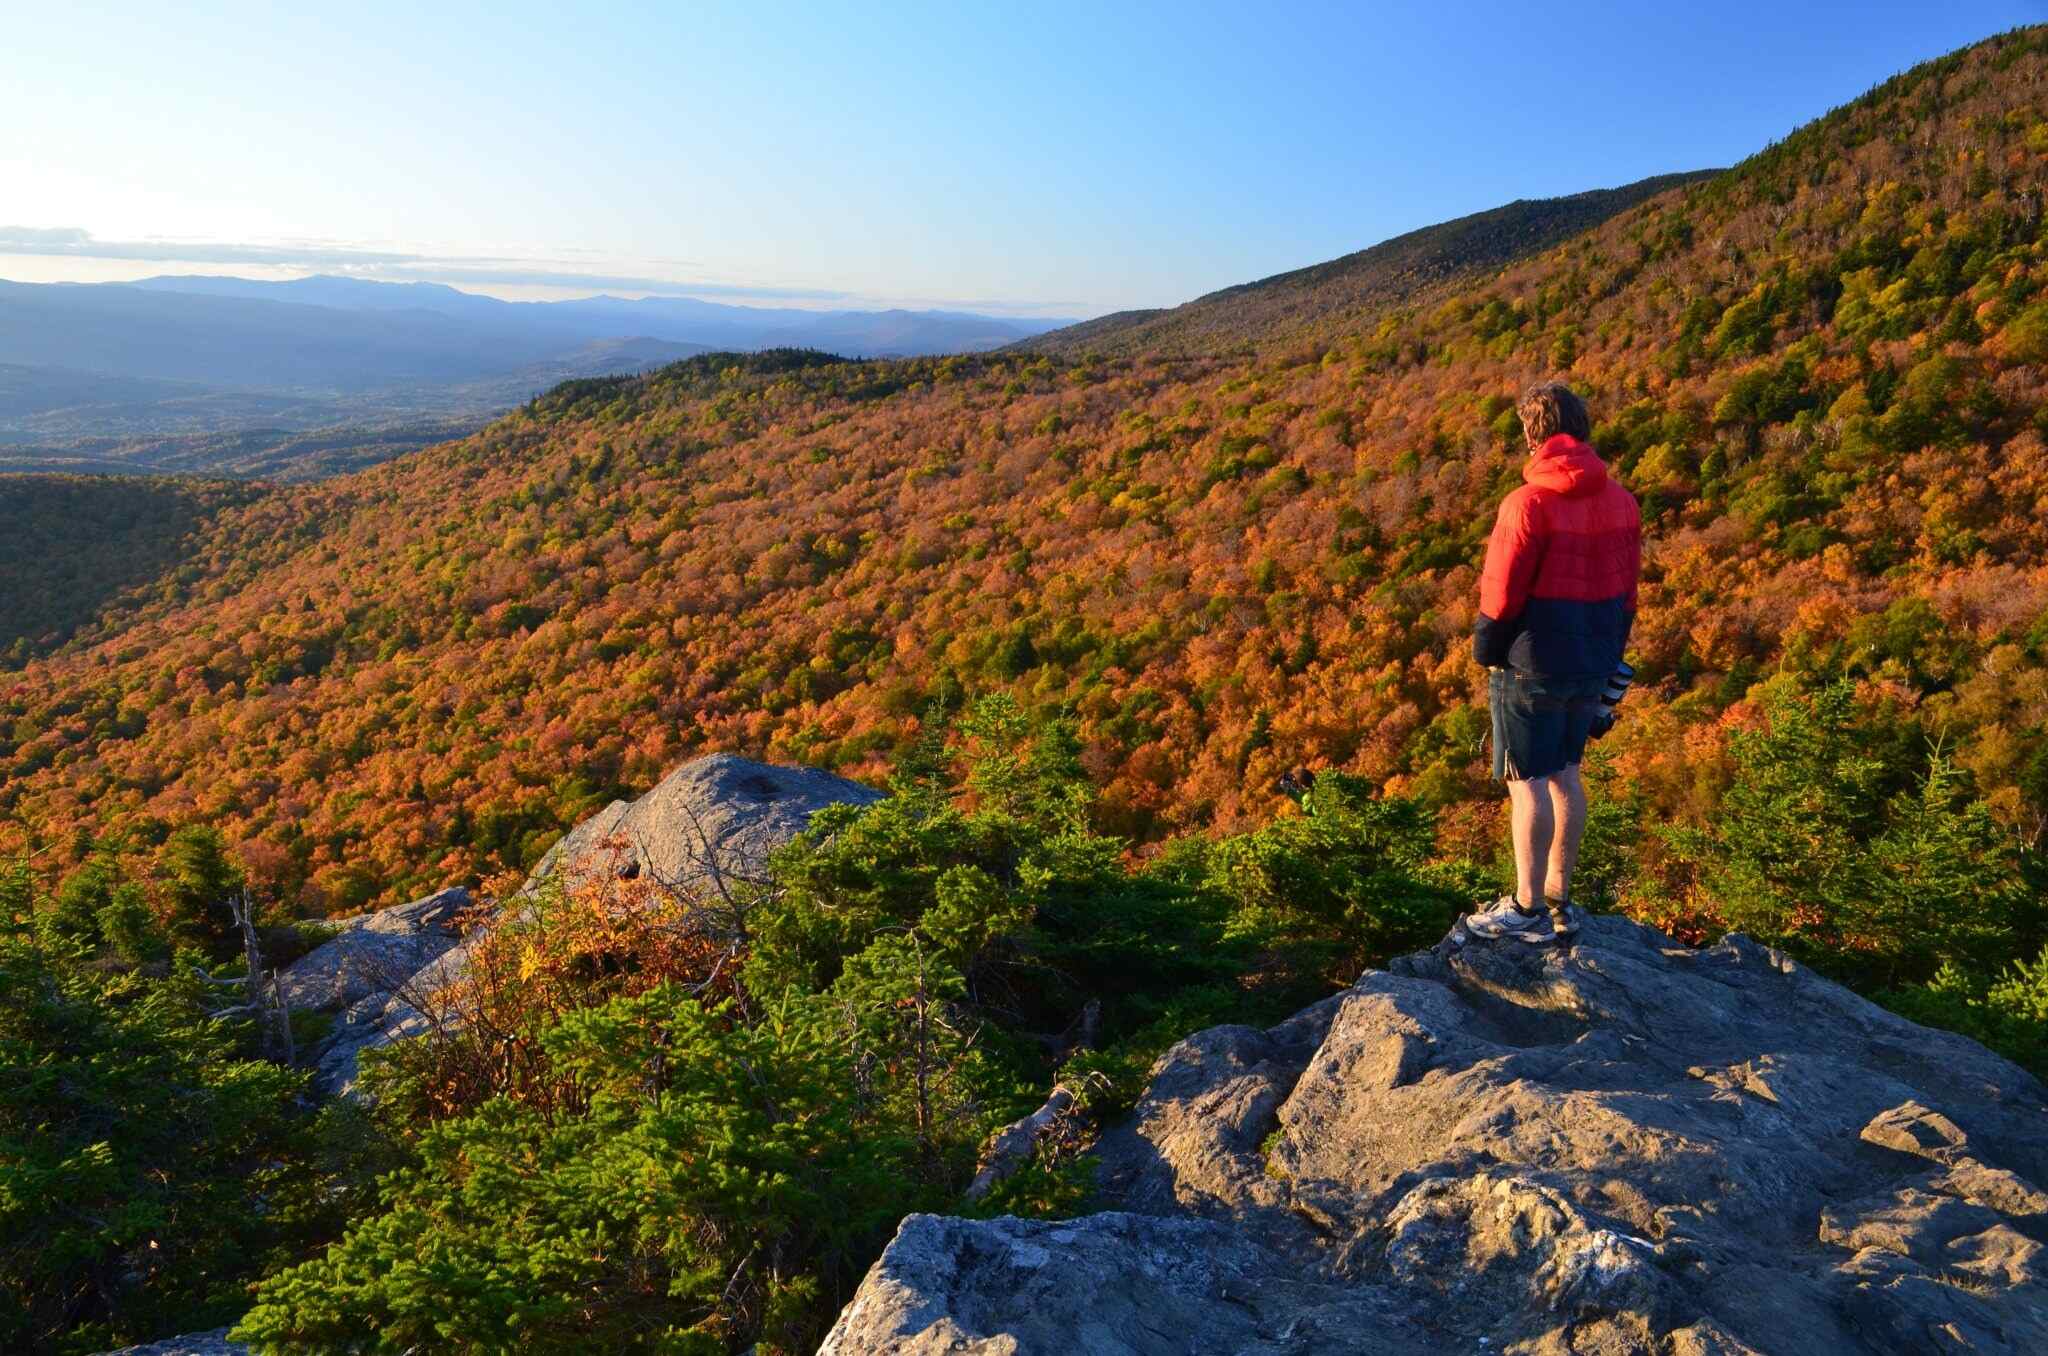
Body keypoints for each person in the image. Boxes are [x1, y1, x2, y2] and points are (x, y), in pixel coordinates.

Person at [1466, 381, 1641, 944]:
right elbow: (1628, 590)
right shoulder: (1621, 500)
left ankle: (1525, 910)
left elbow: (1501, 591)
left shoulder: (1527, 503)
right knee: (1568, 775)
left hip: (1532, 660)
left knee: (1528, 782)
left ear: (1532, 433)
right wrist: (1612, 651)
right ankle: (1561, 900)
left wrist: (1487, 650)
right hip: (1593, 656)